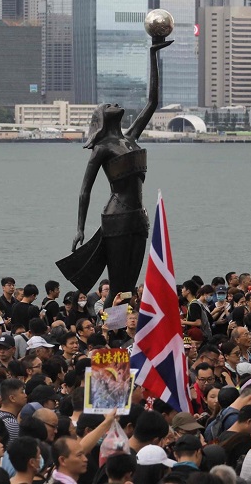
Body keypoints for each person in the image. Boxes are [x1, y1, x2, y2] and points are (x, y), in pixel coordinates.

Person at [60, 31, 172, 301]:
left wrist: (153, 54)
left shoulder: (131, 137)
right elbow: (84, 191)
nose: (116, 104)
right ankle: (110, 328)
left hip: (138, 217)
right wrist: (80, 228)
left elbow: (152, 102)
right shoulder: (102, 149)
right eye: (109, 105)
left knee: (130, 284)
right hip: (116, 217)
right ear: (101, 116)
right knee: (119, 285)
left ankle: (124, 327)